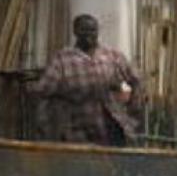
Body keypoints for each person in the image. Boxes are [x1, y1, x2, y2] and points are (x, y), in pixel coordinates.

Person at [28, 14, 143, 146]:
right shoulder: (63, 60)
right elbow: (41, 92)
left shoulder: (112, 56)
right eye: (84, 30)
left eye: (93, 30)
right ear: (75, 32)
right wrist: (46, 125)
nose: (89, 35)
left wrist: (134, 113)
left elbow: (135, 80)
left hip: (113, 128)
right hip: (78, 131)